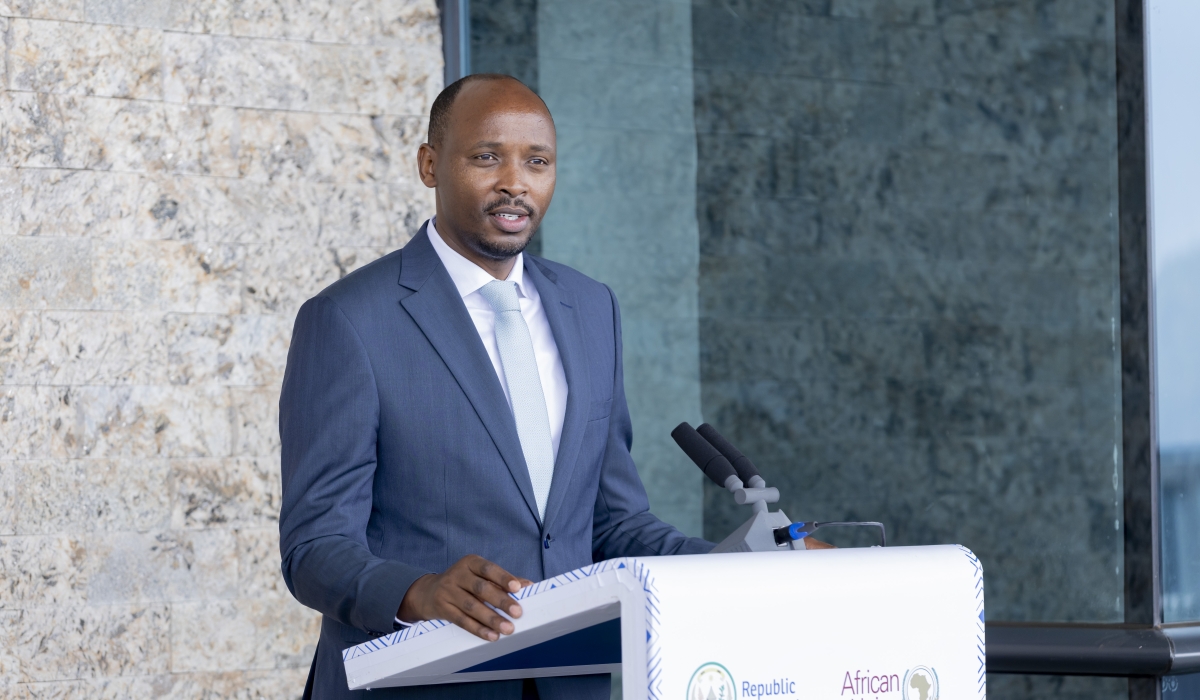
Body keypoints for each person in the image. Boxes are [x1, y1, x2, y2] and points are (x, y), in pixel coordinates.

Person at [278, 74, 715, 700]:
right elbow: (315, 547)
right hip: (419, 687)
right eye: (487, 157)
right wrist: (419, 592)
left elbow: (614, 524)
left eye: (537, 161)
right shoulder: (348, 320)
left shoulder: (592, 308)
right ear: (430, 165)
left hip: (571, 684)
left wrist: (743, 566)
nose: (515, 182)